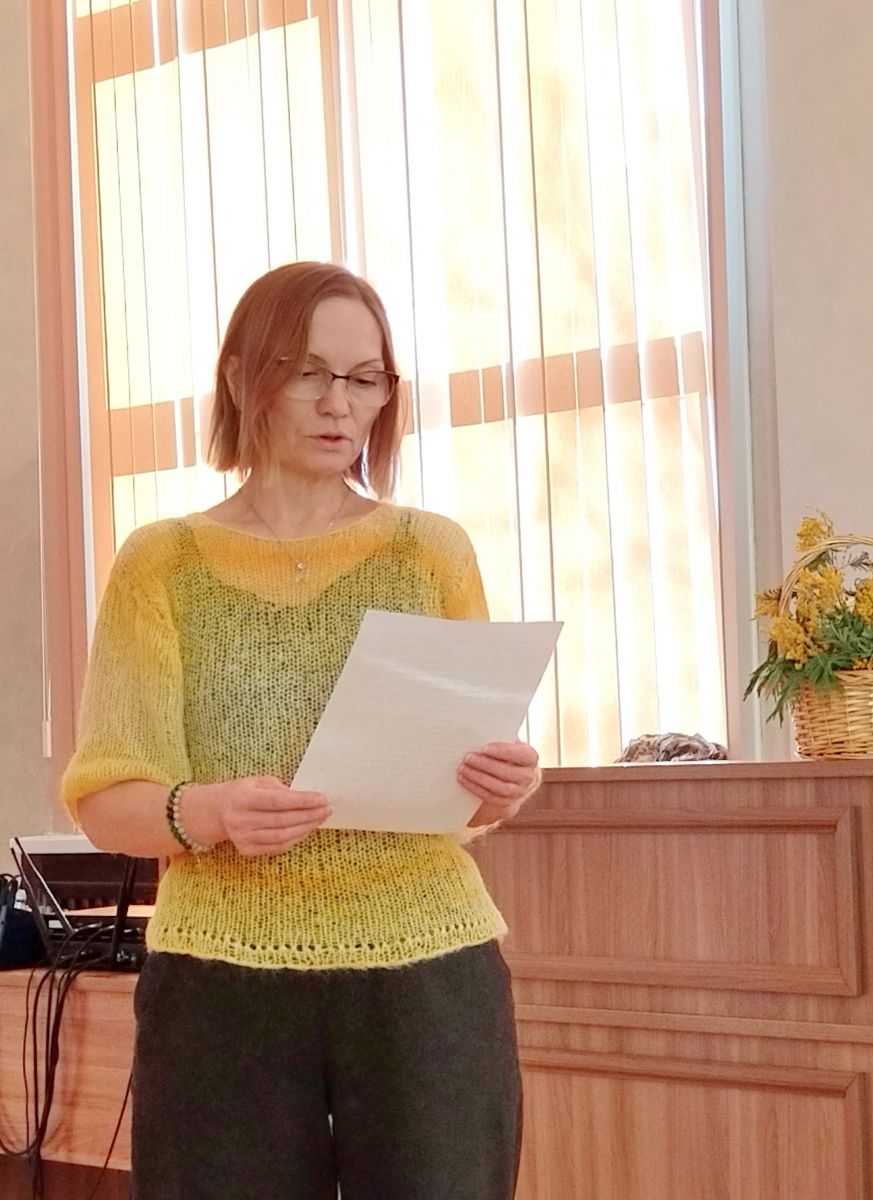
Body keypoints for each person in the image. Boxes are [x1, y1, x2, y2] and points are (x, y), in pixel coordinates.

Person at [61, 262, 541, 1200]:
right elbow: (106, 799)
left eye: (366, 379)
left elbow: (469, 786)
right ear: (244, 378)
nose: (340, 404)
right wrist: (209, 812)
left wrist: (503, 783)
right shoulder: (162, 564)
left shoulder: (431, 551)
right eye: (310, 373)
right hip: (220, 979)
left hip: (429, 971)